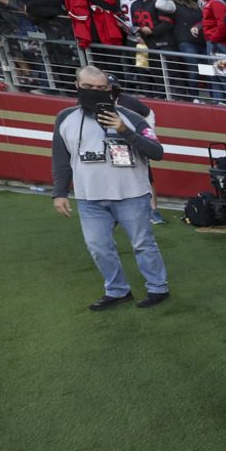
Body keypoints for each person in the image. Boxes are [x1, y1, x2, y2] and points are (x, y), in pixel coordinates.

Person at [50, 66, 169, 310]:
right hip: (89, 198)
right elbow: (61, 158)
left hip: (132, 195)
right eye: (89, 87)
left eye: (101, 88)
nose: (95, 92)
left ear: (110, 89)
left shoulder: (132, 118)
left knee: (143, 243)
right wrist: (59, 193)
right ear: (77, 86)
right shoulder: (65, 118)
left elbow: (157, 152)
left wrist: (125, 131)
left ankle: (158, 288)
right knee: (98, 247)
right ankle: (117, 291)